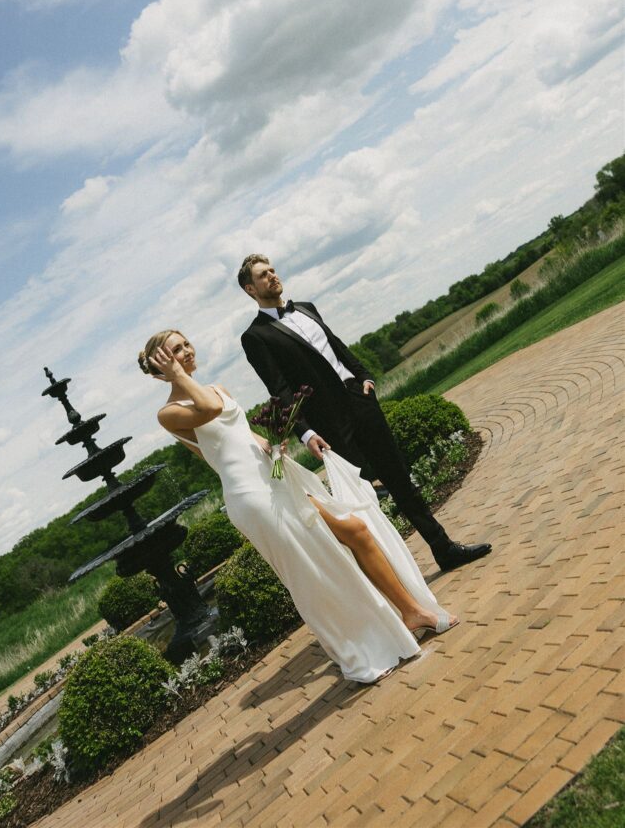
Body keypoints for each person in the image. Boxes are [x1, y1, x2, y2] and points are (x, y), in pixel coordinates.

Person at [139, 328, 459, 685]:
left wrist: (272, 444)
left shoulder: (219, 389)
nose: (186, 352)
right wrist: (179, 377)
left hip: (276, 476)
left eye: (185, 344)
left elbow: (238, 437)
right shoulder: (169, 413)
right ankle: (354, 651)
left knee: (355, 529)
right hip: (252, 498)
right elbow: (210, 424)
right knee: (313, 571)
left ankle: (412, 612)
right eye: (174, 352)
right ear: (161, 367)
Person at [238, 254, 491, 572]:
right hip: (329, 423)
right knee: (361, 500)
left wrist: (364, 376)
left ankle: (444, 549)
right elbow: (280, 389)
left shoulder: (306, 307)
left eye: (273, 270)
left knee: (400, 478)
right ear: (250, 288)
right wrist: (304, 431)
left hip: (360, 401)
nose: (272, 276)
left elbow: (337, 346)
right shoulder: (256, 336)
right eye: (263, 275)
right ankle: (394, 576)